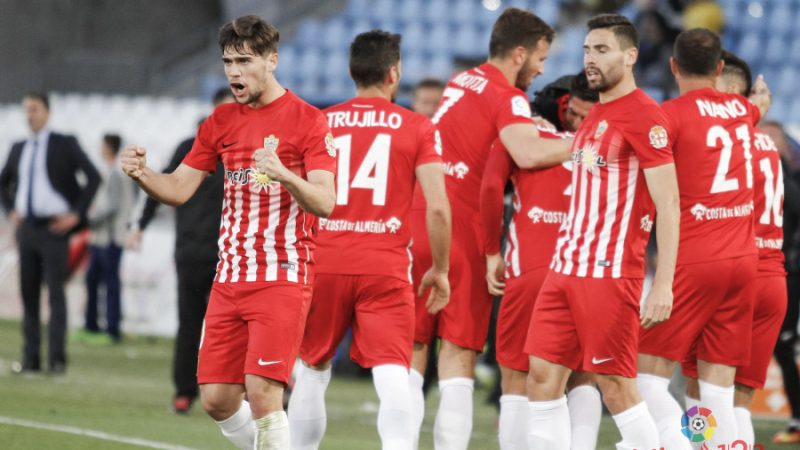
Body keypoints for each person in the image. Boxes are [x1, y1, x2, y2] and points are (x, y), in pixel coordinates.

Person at [120, 15, 336, 450]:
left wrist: (286, 176)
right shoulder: (219, 122)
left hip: (282, 274)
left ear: (272, 60)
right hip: (229, 278)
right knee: (217, 400)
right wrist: (144, 174)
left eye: (244, 60)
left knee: (262, 391)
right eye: (227, 62)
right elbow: (179, 188)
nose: (234, 71)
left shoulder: (309, 121)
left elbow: (326, 203)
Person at [407, 8, 571, 449]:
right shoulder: (508, 97)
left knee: (414, 348)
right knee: (459, 351)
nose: (542, 68)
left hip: (417, 215)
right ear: (520, 53)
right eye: (541, 58)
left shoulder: (462, 80)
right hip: (458, 225)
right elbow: (528, 152)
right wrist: (586, 141)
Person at [287, 30, 451, 450]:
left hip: (325, 259)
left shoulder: (321, 121)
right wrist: (441, 269)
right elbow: (436, 207)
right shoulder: (418, 127)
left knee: (312, 368)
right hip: (385, 265)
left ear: (350, 72)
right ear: (394, 73)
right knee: (393, 370)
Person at [525, 14, 680, 450]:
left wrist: (663, 283)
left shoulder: (645, 117)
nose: (591, 59)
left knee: (615, 386)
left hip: (608, 272)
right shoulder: (596, 114)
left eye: (602, 50)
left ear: (631, 57)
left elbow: (668, 203)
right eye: (587, 50)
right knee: (541, 375)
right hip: (565, 267)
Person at [636, 29, 770, 450]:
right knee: (717, 390)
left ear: (673, 67)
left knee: (643, 377)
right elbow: (751, 111)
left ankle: (677, 445)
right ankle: (711, 444)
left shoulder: (668, 116)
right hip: (744, 261)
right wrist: (757, 106)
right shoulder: (741, 111)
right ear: (718, 69)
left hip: (694, 258)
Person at [481, 71, 601, 450]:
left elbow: (488, 190)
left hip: (531, 268)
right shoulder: (607, 147)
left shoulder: (524, 139)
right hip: (589, 273)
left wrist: (491, 252)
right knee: (584, 378)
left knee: (517, 379)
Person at [126, 87, 233, 414]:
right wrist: (140, 226)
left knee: (229, 328)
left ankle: (230, 394)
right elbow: (163, 185)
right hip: (191, 251)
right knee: (189, 324)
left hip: (231, 255)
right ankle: (184, 391)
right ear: (214, 112)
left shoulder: (244, 151)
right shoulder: (191, 147)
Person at [0, 91, 101, 375]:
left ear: (47, 111)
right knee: (28, 293)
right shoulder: (19, 147)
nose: (29, 115)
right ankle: (30, 358)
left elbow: (93, 176)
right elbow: (3, 183)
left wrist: (76, 214)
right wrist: (10, 211)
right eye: (26, 110)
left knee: (55, 293)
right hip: (27, 228)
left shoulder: (63, 144)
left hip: (54, 229)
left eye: (34, 109)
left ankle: (56, 360)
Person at [80, 134, 135, 344]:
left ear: (109, 147)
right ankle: (93, 325)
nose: (100, 148)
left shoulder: (114, 173)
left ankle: (111, 329)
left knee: (108, 282)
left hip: (109, 237)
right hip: (105, 237)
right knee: (95, 279)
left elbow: (111, 207)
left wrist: (89, 220)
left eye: (103, 144)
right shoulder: (117, 172)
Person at [531, 72, 598, 133]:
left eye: (585, 118)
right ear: (568, 99)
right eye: (572, 113)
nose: (575, 125)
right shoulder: (546, 105)